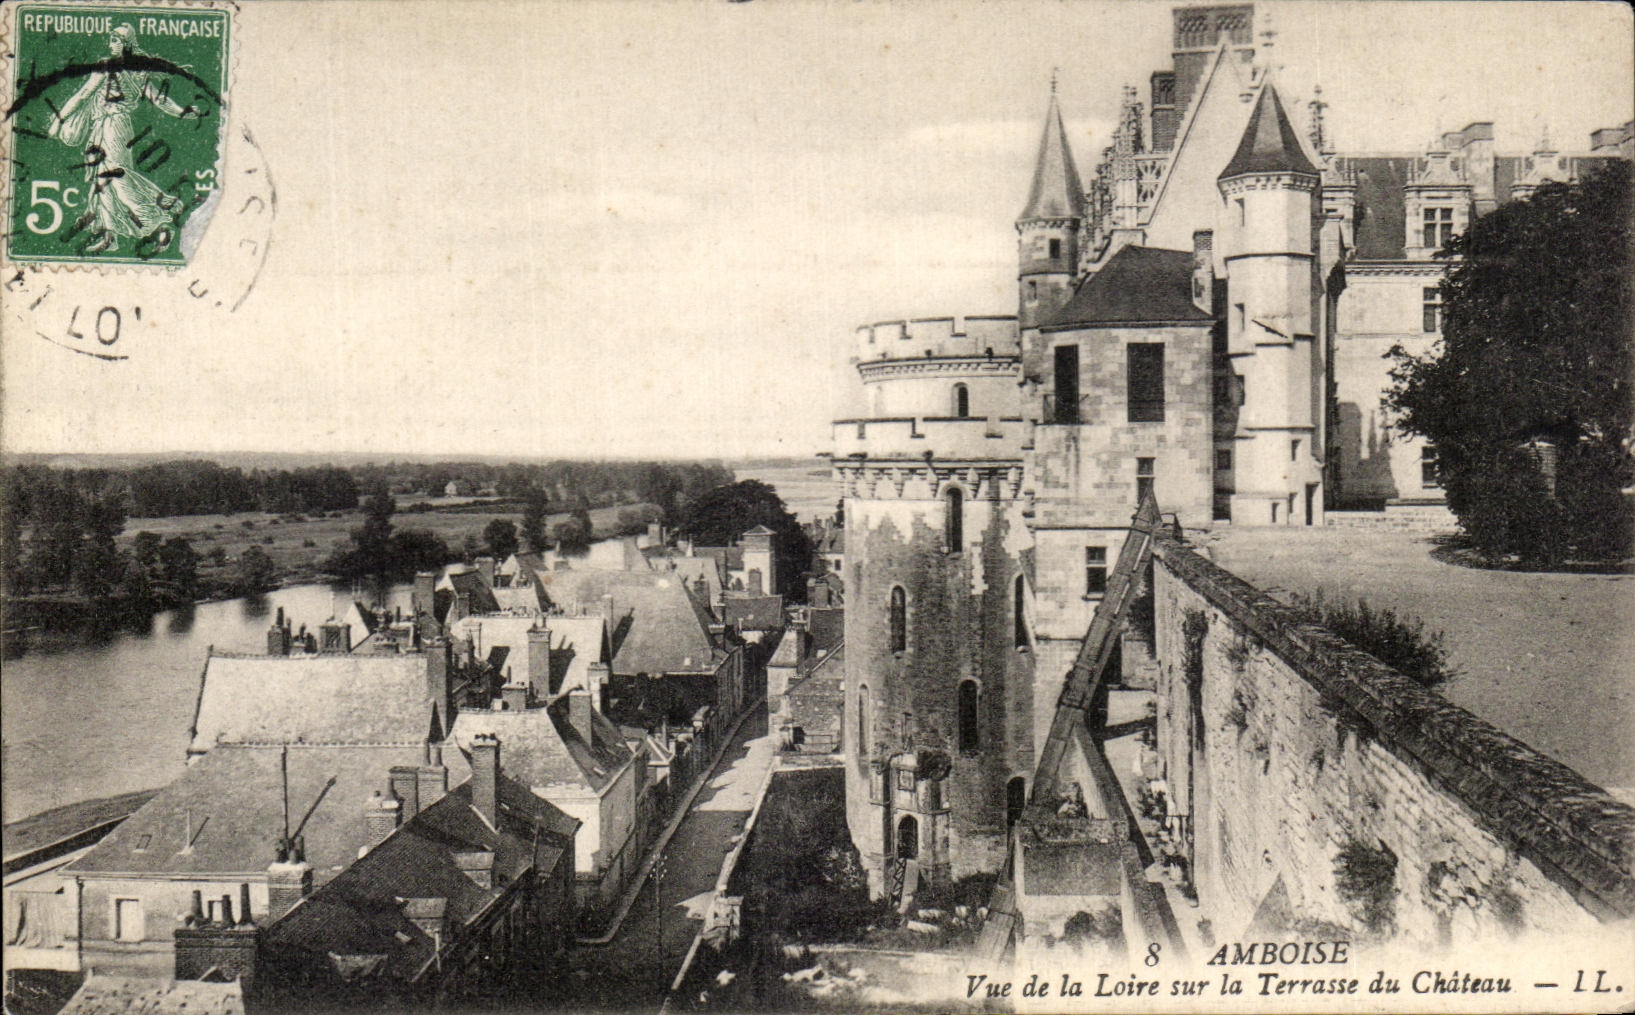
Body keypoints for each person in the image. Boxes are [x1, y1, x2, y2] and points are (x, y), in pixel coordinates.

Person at [47, 24, 201, 254]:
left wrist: (58, 120)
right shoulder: (139, 69)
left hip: (111, 126)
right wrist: (181, 111)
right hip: (113, 127)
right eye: (111, 39)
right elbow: (159, 99)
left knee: (117, 179)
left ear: (127, 43)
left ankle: (159, 220)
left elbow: (82, 95)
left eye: (116, 40)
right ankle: (110, 236)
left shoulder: (110, 67)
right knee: (103, 183)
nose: (111, 44)